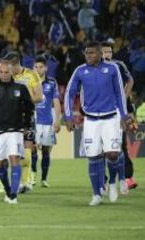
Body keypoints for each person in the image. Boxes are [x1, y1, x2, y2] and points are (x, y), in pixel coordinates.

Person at [64, 41, 132, 206]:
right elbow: (69, 92)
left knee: (113, 154)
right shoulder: (80, 71)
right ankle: (96, 195)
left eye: (92, 53)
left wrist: (123, 115)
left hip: (111, 118)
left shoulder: (112, 68)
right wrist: (68, 117)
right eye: (87, 53)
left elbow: (119, 93)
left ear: (101, 54)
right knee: (93, 156)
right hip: (91, 120)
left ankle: (114, 182)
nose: (88, 56)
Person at [0, 59, 34, 204]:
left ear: (12, 71)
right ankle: (8, 190)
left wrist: (27, 126)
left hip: (15, 130)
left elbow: (29, 109)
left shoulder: (21, 88)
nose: (4, 75)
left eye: (7, 72)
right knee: (0, 164)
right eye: (1, 72)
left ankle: (13, 195)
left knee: (14, 159)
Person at [2, 51, 42, 193]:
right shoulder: (5, 76)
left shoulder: (31, 75)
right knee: (10, 151)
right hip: (9, 117)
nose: (6, 69)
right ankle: (7, 183)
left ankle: (25, 183)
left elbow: (40, 97)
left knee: (26, 150)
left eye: (8, 66)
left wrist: (25, 101)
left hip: (27, 116)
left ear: (15, 64)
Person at [101, 42, 138, 191]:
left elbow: (131, 80)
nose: (107, 54)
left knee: (121, 145)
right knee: (101, 148)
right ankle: (102, 180)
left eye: (109, 51)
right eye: (104, 52)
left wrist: (124, 96)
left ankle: (128, 177)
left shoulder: (119, 65)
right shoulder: (94, 68)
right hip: (101, 111)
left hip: (119, 111)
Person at [31, 57, 61, 187]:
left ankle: (43, 179)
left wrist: (57, 120)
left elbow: (56, 102)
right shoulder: (30, 83)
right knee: (32, 150)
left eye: (41, 67)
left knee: (45, 151)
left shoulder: (52, 83)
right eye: (36, 67)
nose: (38, 69)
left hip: (48, 122)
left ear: (46, 68)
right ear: (33, 68)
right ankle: (32, 177)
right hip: (34, 122)